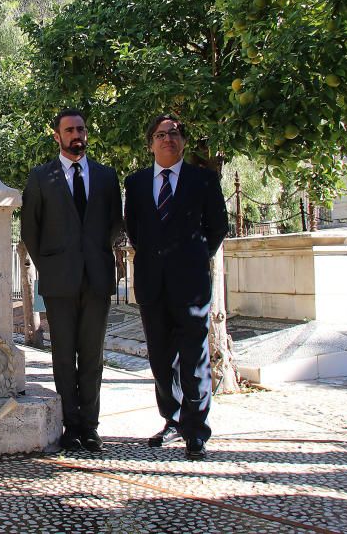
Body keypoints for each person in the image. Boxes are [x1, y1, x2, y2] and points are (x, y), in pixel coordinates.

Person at [123, 114, 228, 461]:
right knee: (160, 359)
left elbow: (218, 227)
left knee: (194, 359)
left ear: (183, 141)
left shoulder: (204, 180)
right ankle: (173, 418)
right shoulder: (136, 184)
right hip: (152, 286)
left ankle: (196, 431)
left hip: (192, 286)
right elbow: (134, 230)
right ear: (150, 143)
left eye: (175, 133)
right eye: (161, 134)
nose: (168, 138)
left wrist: (194, 257)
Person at [21, 109, 123, 453]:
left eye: (80, 128)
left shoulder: (107, 176)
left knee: (92, 357)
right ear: (57, 136)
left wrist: (94, 254)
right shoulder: (40, 178)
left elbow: (114, 223)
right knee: (63, 356)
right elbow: (30, 231)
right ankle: (70, 425)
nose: (76, 134)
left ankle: (91, 427)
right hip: (58, 282)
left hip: (96, 279)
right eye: (69, 130)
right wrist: (51, 267)